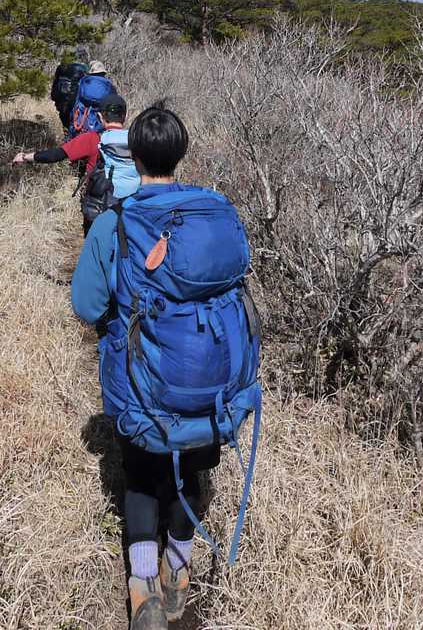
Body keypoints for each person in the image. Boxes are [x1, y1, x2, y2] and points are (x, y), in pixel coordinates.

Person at [69, 103, 261, 630]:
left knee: (140, 479)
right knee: (190, 474)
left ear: (133, 155)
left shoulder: (116, 223)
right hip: (213, 387)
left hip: (145, 388)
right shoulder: (215, 216)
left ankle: (144, 592)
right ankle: (179, 577)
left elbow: (86, 304)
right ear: (180, 154)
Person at [11, 93, 138, 233]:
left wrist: (26, 157)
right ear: (125, 116)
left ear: (100, 116)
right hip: (130, 211)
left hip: (98, 210)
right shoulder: (137, 141)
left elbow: (56, 155)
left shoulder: (92, 139)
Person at [50, 48, 90, 134]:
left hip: (62, 101)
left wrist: (54, 97)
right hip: (76, 102)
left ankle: (67, 135)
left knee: (66, 123)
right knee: (75, 125)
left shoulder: (61, 67)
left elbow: (55, 84)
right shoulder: (84, 69)